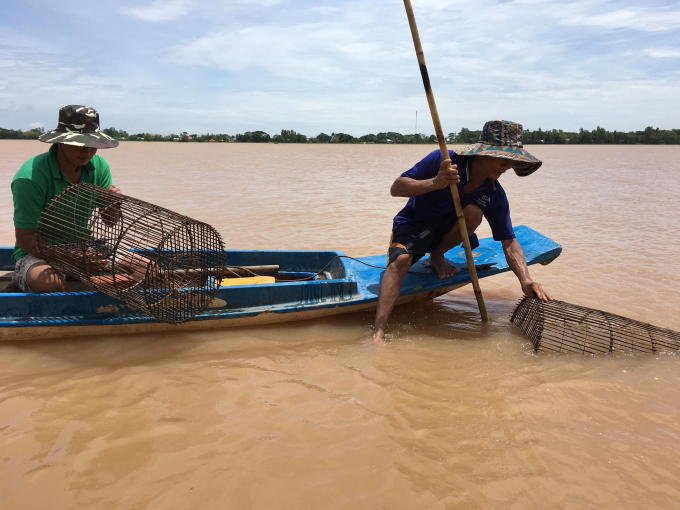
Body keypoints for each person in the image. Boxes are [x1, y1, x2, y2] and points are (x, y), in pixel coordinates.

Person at [372, 120, 553, 342]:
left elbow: (509, 240)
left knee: (473, 212)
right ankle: (378, 332)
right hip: (414, 224)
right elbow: (396, 188)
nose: (507, 167)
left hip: (448, 233)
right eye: (503, 158)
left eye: (511, 161)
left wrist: (525, 280)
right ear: (481, 153)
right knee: (400, 262)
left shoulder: (494, 193)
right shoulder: (445, 161)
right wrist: (434, 183)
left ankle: (438, 255)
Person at [11, 105, 121, 292]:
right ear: (61, 141)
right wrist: (71, 260)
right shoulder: (30, 177)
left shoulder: (99, 166)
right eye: (78, 144)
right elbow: (25, 238)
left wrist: (112, 203)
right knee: (46, 282)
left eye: (92, 145)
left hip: (84, 248)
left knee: (142, 268)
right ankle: (84, 305)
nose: (86, 152)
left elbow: (110, 222)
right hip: (40, 253)